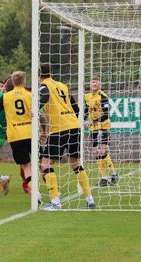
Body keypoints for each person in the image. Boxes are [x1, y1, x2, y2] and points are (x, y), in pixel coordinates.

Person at [39, 63, 96, 210]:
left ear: (39, 75)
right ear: (52, 73)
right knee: (76, 164)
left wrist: (35, 108)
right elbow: (76, 108)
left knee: (45, 164)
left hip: (59, 128)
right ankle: (90, 199)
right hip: (74, 126)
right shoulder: (62, 85)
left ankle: (55, 202)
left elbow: (44, 96)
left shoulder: (44, 86)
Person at [0, 71, 33, 194]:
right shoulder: (30, 95)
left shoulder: (6, 96)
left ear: (12, 82)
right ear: (24, 81)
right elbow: (40, 115)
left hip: (15, 135)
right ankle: (52, 191)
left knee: (26, 165)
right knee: (41, 162)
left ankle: (34, 190)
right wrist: (44, 129)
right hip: (31, 133)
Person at [84, 75, 118, 186]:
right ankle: (105, 177)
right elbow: (85, 111)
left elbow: (106, 114)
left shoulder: (103, 97)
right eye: (92, 82)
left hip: (103, 126)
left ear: (99, 84)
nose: (94, 84)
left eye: (96, 82)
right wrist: (83, 120)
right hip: (93, 128)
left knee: (102, 151)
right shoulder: (87, 96)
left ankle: (111, 174)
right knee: (96, 152)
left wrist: (92, 121)